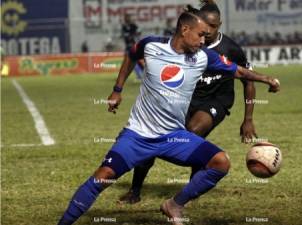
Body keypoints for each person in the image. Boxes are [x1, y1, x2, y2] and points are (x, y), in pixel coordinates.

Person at [57, 7, 279, 225]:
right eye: (200, 34)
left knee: (220, 162)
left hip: (174, 137)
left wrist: (267, 79)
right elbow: (131, 55)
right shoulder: (151, 45)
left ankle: (175, 204)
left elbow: (239, 71)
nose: (204, 40)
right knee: (101, 177)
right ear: (184, 29)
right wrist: (117, 89)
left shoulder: (204, 57)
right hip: (138, 135)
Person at [119, 0, 260, 205]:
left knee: (194, 132)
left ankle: (189, 192)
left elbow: (248, 81)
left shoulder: (231, 49)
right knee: (155, 134)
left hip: (216, 100)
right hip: (187, 98)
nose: (208, 31)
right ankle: (135, 190)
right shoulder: (188, 43)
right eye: (205, 25)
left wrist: (248, 119)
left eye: (213, 26)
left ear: (219, 25)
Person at [121, 13, 143, 80]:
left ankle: (140, 75)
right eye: (126, 18)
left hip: (134, 45)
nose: (127, 19)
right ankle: (140, 75)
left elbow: (139, 31)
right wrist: (130, 35)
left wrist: (135, 35)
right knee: (132, 61)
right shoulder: (124, 26)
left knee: (134, 61)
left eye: (128, 17)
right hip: (128, 46)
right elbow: (124, 35)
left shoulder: (133, 25)